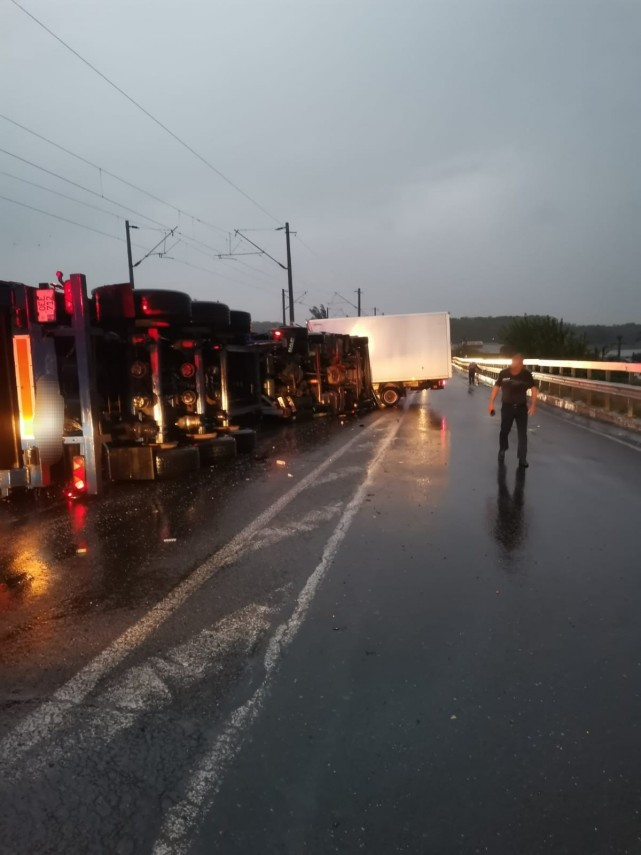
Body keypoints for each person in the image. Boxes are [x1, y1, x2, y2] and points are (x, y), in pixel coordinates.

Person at [487, 354, 538, 468]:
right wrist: (491, 402)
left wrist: (533, 404)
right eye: (519, 363)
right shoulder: (504, 373)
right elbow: (496, 387)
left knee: (522, 434)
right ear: (513, 363)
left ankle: (522, 458)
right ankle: (503, 449)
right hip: (507, 407)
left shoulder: (526, 375)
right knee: (504, 430)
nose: (521, 366)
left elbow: (534, 389)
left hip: (521, 408)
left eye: (521, 364)